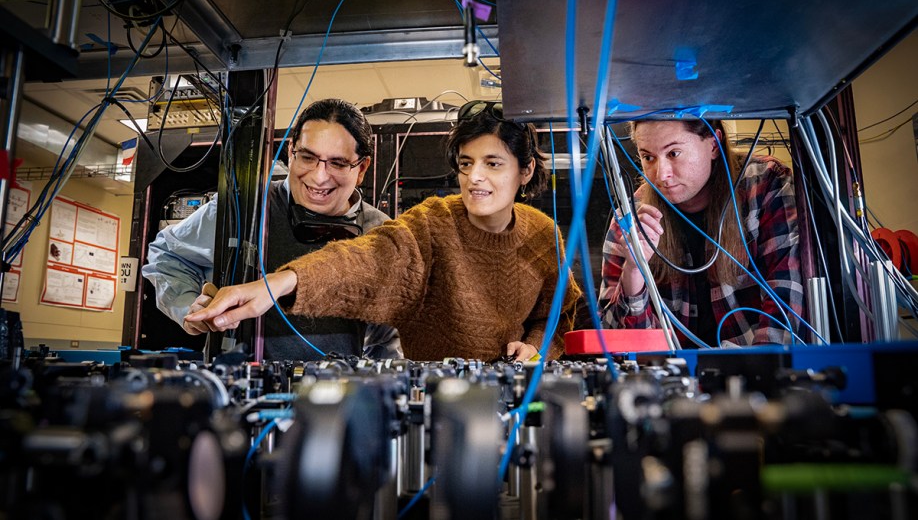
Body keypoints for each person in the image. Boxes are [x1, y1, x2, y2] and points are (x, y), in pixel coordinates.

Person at [186, 100, 582, 362]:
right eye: (465, 163)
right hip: (432, 405)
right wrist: (279, 283)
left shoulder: (543, 235)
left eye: (493, 163)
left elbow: (559, 315)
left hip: (512, 404)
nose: (475, 177)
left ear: (525, 171)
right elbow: (365, 260)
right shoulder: (433, 223)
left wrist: (534, 349)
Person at [141, 98, 400, 360]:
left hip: (338, 392)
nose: (320, 176)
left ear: (362, 168)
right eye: (308, 157)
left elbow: (388, 335)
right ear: (290, 151)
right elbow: (166, 256)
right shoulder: (246, 207)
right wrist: (188, 306)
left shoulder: (380, 232)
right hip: (244, 390)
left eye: (338, 163)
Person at [599, 119, 803, 346]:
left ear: (714, 144)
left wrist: (758, 372)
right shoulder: (631, 219)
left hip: (757, 372)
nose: (661, 174)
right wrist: (634, 273)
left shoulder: (764, 185)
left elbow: (786, 300)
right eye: (648, 158)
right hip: (670, 377)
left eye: (674, 153)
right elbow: (617, 344)